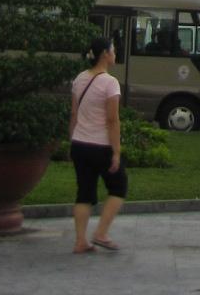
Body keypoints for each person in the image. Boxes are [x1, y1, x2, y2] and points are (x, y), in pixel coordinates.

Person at [69, 36, 127, 254]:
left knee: (84, 192)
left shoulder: (79, 79)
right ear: (105, 54)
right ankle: (101, 233)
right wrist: (116, 152)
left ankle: (80, 241)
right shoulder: (110, 83)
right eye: (113, 49)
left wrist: (71, 141)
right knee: (119, 186)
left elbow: (74, 113)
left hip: (80, 144)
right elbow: (112, 120)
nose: (115, 52)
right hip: (100, 146)